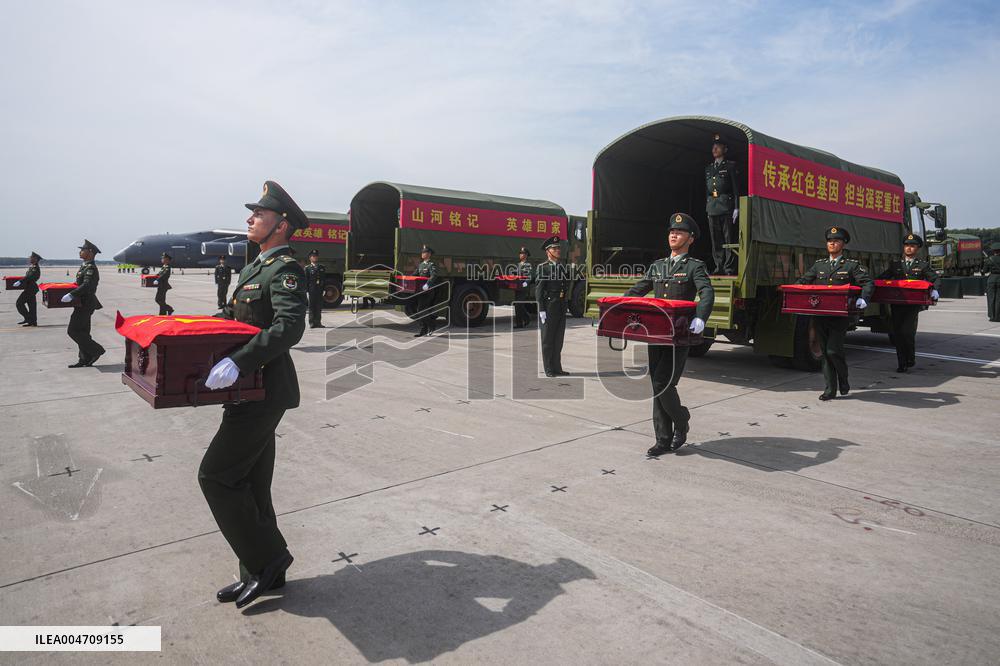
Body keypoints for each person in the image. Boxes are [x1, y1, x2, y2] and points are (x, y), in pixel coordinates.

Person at [200, 180, 308, 610]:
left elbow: (288, 327)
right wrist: (203, 324)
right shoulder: (255, 267)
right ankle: (266, 572)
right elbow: (240, 316)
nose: (249, 219)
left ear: (280, 226)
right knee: (250, 484)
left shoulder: (285, 269)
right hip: (247, 390)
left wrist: (240, 362)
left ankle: (268, 559)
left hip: (264, 388)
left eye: (258, 215)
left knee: (215, 476)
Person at [625, 213, 713, 455]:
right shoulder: (658, 265)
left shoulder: (694, 266)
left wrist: (701, 317)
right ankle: (662, 440)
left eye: (680, 232)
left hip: (679, 334)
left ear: (690, 239)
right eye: (672, 231)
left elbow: (706, 292)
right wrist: (617, 306)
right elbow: (638, 289)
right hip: (655, 333)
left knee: (664, 382)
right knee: (657, 384)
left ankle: (681, 420)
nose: (674, 234)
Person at [797, 226, 873, 400]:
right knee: (824, 352)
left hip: (840, 316)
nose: (832, 244)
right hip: (820, 314)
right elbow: (804, 280)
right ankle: (830, 390)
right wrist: (795, 288)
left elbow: (867, 282)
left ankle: (843, 378)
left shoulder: (851, 265)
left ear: (843, 245)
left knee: (833, 351)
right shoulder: (819, 265)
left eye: (836, 241)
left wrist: (864, 298)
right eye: (830, 241)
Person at [879, 233, 941, 372]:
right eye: (907, 245)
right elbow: (883, 278)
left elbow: (935, 278)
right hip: (897, 303)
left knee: (907, 332)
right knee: (897, 333)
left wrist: (935, 290)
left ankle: (910, 357)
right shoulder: (895, 265)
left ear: (917, 249)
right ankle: (901, 363)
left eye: (912, 246)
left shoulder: (922, 265)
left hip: (912, 305)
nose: (909, 248)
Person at [65, 240, 106, 368]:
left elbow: (87, 285)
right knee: (83, 332)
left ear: (90, 252)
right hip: (82, 303)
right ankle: (84, 358)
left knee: (73, 330)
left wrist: (72, 294)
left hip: (86, 303)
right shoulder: (84, 266)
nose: (80, 252)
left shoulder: (91, 268)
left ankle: (96, 350)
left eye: (83, 250)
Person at [705, 134, 740, 275]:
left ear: (725, 149)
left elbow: (736, 188)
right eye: (713, 146)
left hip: (726, 206)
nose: (715, 149)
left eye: (718, 146)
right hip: (712, 206)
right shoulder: (708, 168)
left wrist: (736, 207)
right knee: (716, 240)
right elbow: (706, 189)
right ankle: (718, 266)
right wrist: (707, 206)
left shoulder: (730, 166)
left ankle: (728, 267)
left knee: (728, 239)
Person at [535, 236, 569, 377]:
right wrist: (541, 309)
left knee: (558, 339)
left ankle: (557, 367)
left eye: (558, 248)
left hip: (560, 307)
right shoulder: (543, 268)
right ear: (548, 251)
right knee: (548, 339)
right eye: (555, 248)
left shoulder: (561, 267)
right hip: (549, 307)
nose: (558, 250)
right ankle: (549, 369)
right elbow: (539, 290)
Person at [413, 245, 441, 337]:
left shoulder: (431, 265)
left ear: (429, 254)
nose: (422, 254)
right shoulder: (421, 265)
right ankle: (424, 330)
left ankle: (431, 325)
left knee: (421, 310)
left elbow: (434, 275)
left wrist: (428, 284)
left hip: (428, 291)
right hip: (420, 291)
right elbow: (415, 274)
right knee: (421, 310)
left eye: (424, 252)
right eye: (422, 252)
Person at [15, 251, 42, 327]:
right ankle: (33, 321)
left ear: (35, 259)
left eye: (31, 257)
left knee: (19, 303)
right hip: (30, 288)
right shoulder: (32, 267)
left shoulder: (35, 268)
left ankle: (28, 318)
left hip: (31, 288)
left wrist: (20, 281)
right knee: (32, 305)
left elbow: (29, 277)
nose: (29, 258)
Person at [304, 250, 326, 328]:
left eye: (316, 256)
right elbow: (306, 281)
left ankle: (318, 322)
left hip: (319, 290)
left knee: (318, 306)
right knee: (311, 306)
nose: (315, 258)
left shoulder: (321, 267)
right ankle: (312, 323)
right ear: (310, 258)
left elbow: (324, 279)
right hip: (311, 290)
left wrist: (324, 289)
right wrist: (306, 291)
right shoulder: (307, 268)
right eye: (313, 256)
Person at [513, 246, 533, 329]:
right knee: (517, 305)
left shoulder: (527, 265)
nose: (520, 255)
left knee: (518, 304)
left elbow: (529, 277)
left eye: (522, 253)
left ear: (526, 255)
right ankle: (526, 318)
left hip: (523, 288)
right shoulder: (518, 264)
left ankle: (520, 323)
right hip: (517, 287)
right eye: (520, 253)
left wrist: (525, 284)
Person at [985, 242, 1000, 322]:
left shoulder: (989, 259)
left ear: (994, 251)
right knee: (998, 299)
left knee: (991, 298)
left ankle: (992, 316)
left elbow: (985, 270)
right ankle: (998, 316)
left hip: (991, 279)